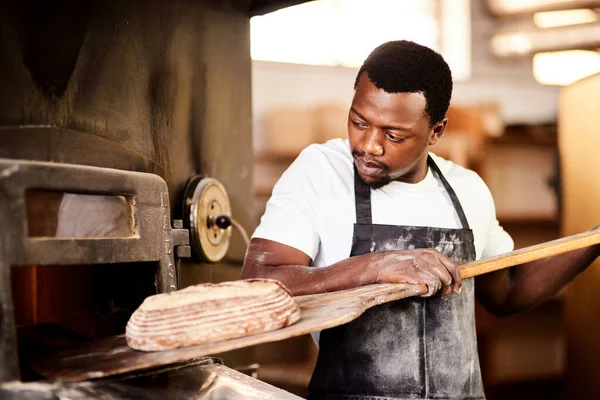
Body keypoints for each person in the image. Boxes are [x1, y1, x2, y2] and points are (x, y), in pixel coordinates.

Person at [240, 40, 600, 400]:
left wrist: (594, 240)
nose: (369, 145)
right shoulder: (320, 171)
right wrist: (376, 266)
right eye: (358, 121)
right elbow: (258, 282)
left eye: (393, 135)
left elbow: (505, 291)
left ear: (436, 131)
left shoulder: (467, 189)